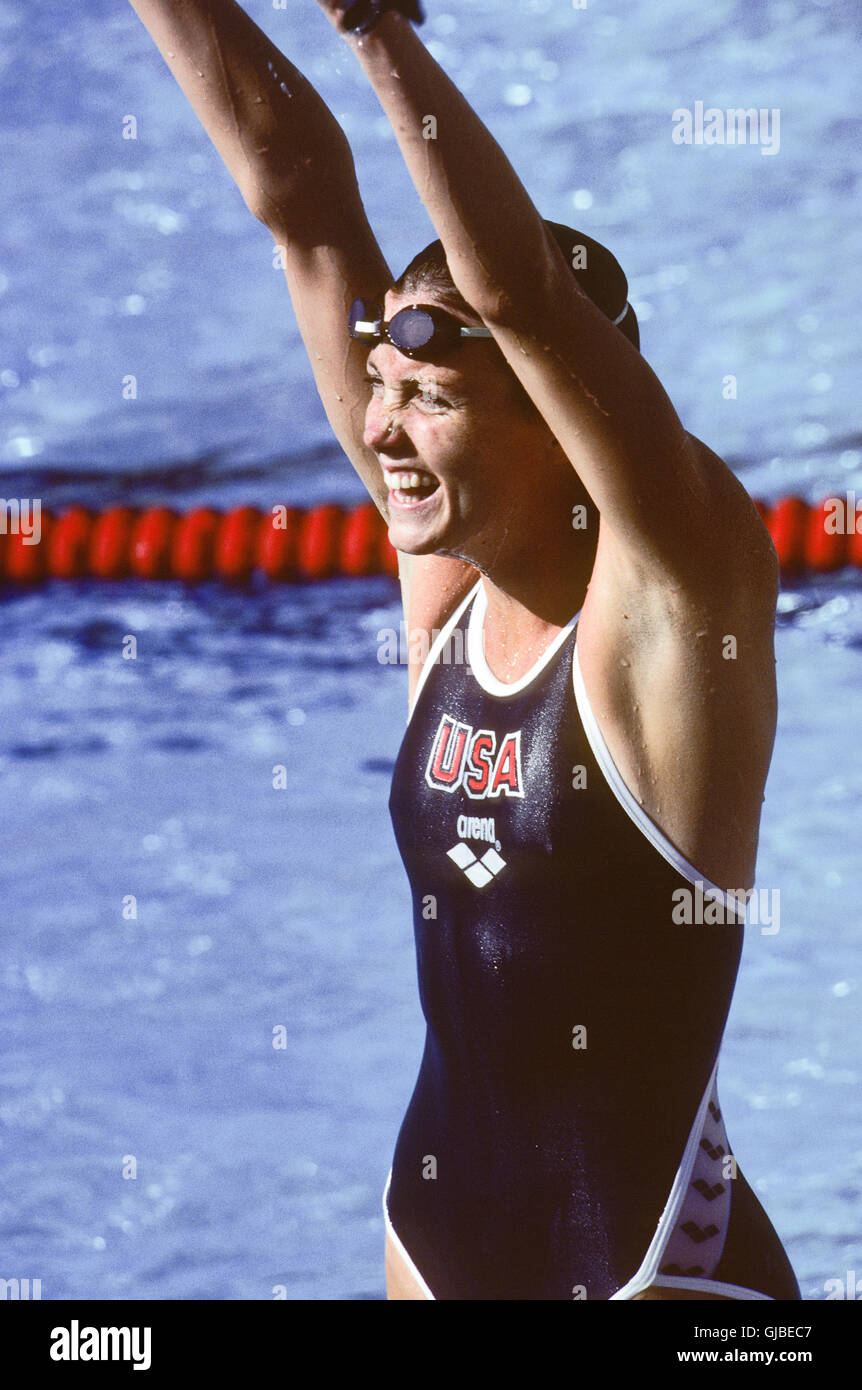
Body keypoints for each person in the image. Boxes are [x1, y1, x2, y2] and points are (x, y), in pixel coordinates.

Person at [127, 0, 800, 1301]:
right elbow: (304, 205)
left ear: (555, 424)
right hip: (433, 1236)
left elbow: (522, 301)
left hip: (651, 1266)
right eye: (384, 386)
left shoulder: (672, 597)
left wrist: (377, 29)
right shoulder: (443, 582)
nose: (379, 429)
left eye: (430, 398)